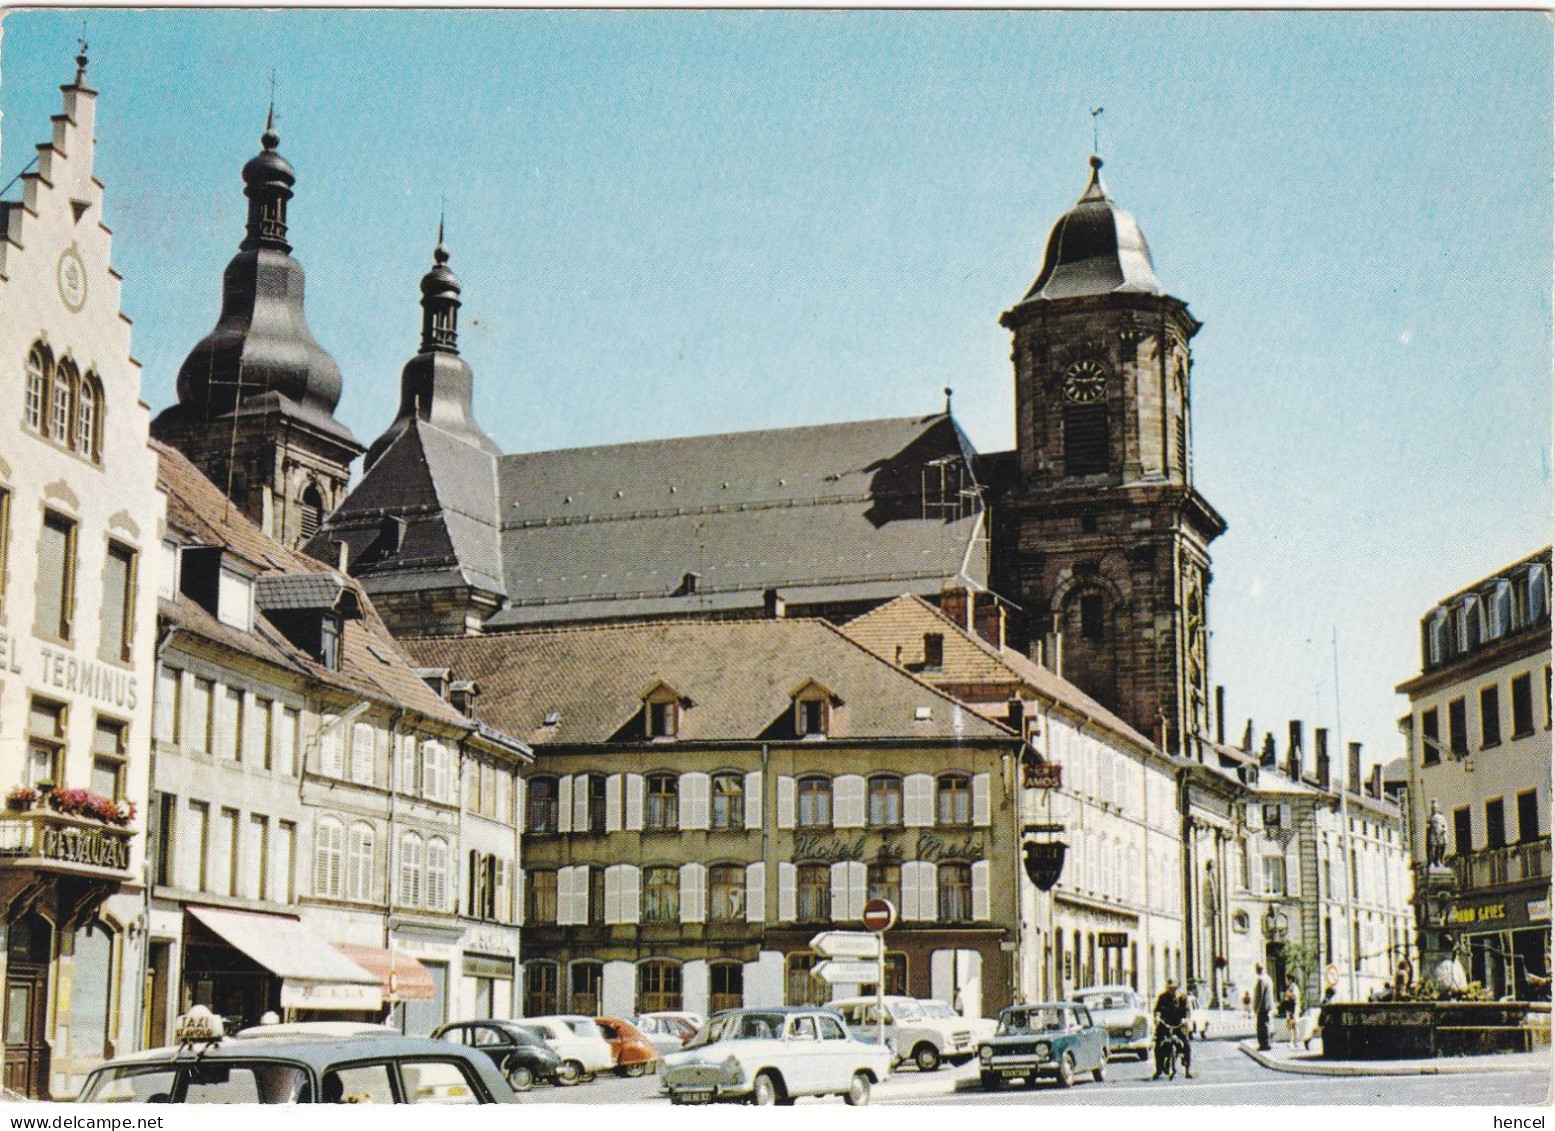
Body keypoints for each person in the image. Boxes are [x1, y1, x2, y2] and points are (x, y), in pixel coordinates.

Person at [1151, 979, 1192, 1079]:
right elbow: (1157, 1010)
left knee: (1186, 1045)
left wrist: (1185, 1019)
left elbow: (1187, 1010)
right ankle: (1158, 1070)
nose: (1172, 990)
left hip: (1179, 1025)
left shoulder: (1182, 997)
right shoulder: (1163, 997)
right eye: (1170, 988)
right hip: (1165, 1025)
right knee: (1157, 1045)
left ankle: (1187, 1069)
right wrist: (1157, 1017)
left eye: (1174, 988)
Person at [1251, 963, 1275, 1051]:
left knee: (1261, 1026)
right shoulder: (1268, 978)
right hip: (1268, 1006)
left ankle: (1264, 1044)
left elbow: (1259, 995)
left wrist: (1256, 1008)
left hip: (1262, 1007)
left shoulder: (1260, 979)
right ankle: (1266, 1043)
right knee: (1266, 1025)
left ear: (1258, 969)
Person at [1280, 973, 1302, 1049]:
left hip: (1293, 1007)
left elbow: (1294, 996)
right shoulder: (1290, 987)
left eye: (1286, 979)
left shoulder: (1294, 987)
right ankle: (1293, 1042)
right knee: (1291, 1025)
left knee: (1293, 1025)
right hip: (1290, 1008)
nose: (1286, 981)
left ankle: (1294, 1042)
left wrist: (1286, 995)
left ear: (1290, 979)